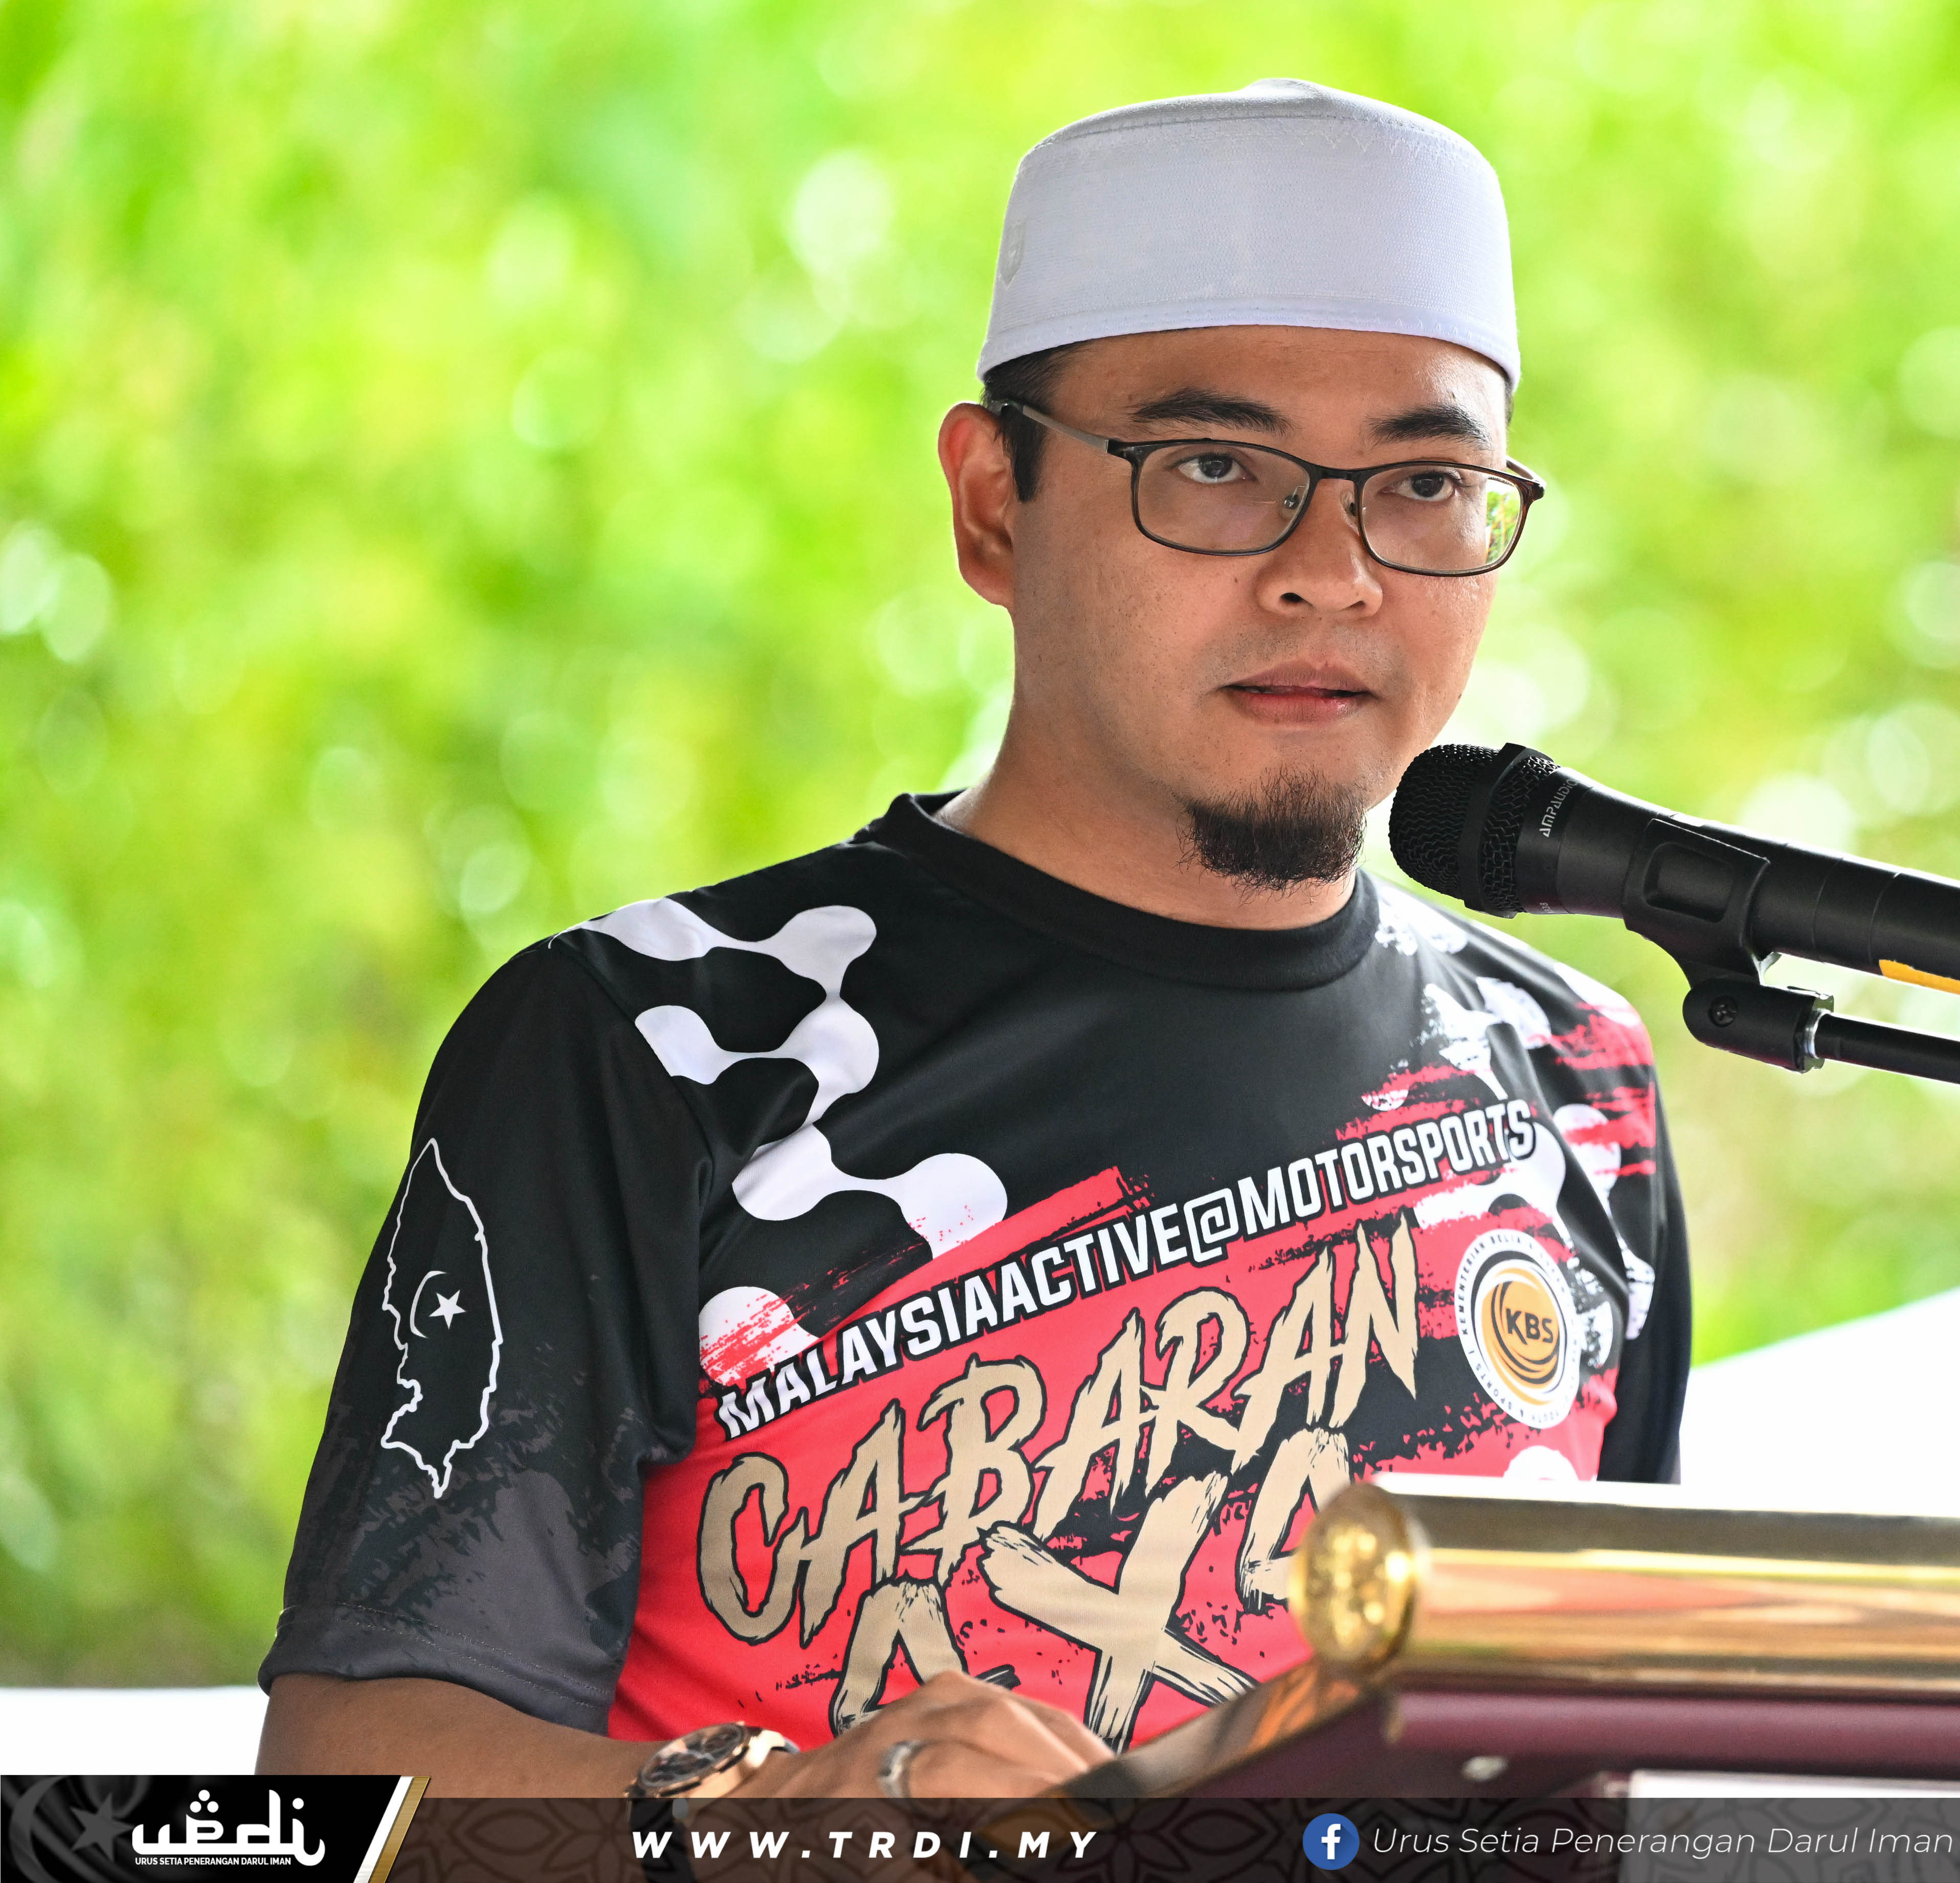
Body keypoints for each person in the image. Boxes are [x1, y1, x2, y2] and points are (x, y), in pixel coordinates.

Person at [257, 78, 1690, 1800]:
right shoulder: (653, 1048)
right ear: (992, 505)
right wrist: (791, 1812)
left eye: (1427, 483)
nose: (1334, 571)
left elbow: (1598, 1760)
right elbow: (346, 1781)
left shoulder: (1570, 1076)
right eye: (1214, 468)